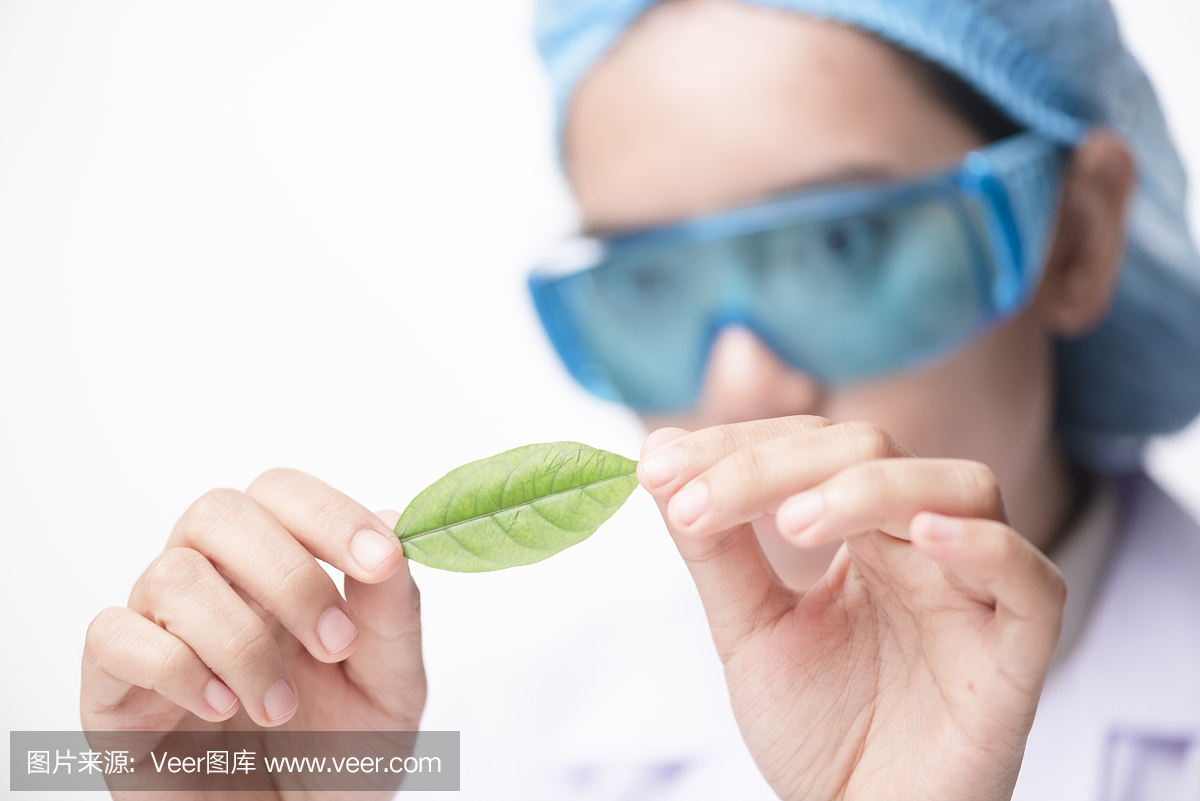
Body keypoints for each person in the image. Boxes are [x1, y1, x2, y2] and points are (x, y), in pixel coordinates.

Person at [79, 0, 1200, 799]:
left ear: (1076, 237)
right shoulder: (491, 750)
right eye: (651, 282)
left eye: (843, 243)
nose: (739, 385)